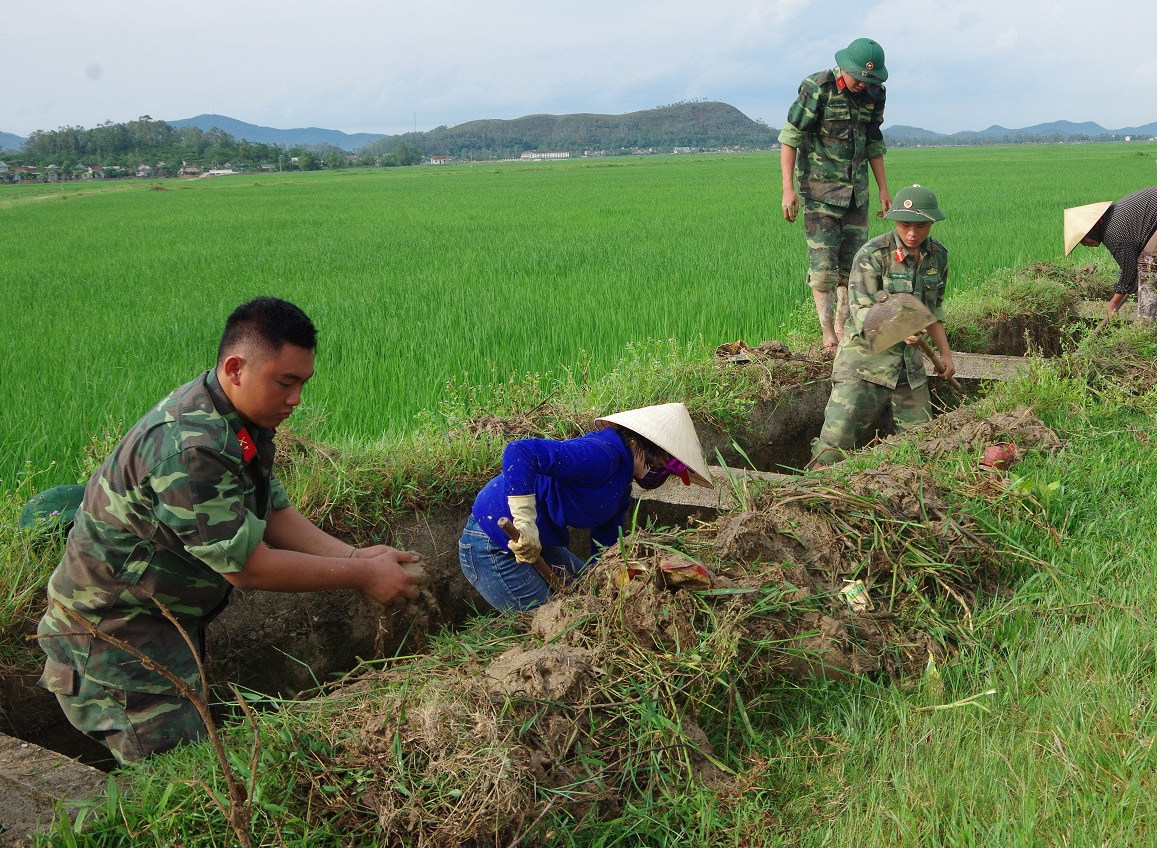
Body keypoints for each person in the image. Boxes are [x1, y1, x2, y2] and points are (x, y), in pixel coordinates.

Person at [36, 297, 422, 764]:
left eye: (303, 383)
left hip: (157, 624)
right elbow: (247, 566)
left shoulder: (237, 418)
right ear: (236, 368)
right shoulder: (190, 448)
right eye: (286, 382)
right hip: (112, 641)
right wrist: (363, 577)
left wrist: (357, 557)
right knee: (183, 782)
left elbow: (272, 511)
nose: (296, 399)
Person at [459, 402, 713, 611]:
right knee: (554, 621)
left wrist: (625, 577)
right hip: (493, 543)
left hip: (540, 544)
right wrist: (524, 522)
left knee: (590, 595)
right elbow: (521, 451)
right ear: (643, 443)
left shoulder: (621, 485)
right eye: (667, 467)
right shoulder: (600, 453)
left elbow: (607, 545)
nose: (662, 475)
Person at [810, 185, 953, 466]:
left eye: (921, 226)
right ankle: (809, 498)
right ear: (895, 222)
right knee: (833, 448)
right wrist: (900, 327)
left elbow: (933, 309)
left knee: (921, 447)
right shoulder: (872, 254)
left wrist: (945, 354)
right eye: (905, 225)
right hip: (864, 365)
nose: (913, 233)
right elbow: (861, 312)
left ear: (932, 223)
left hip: (907, 370)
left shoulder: (938, 256)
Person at [779, 38, 892, 355]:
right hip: (820, 193)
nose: (863, 85)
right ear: (845, 67)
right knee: (824, 268)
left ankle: (845, 329)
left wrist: (883, 189)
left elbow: (874, 142)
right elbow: (790, 136)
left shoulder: (874, 93)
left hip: (857, 193)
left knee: (854, 266)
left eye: (871, 80)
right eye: (859, 78)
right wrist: (788, 188)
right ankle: (828, 334)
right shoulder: (818, 87)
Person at [1064, 182, 1157, 321]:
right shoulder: (1114, 219)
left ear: (1091, 230)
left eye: (1083, 240)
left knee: (1148, 263)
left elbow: (1130, 271)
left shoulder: (1113, 231)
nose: (1085, 244)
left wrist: (1113, 304)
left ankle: (1147, 322)